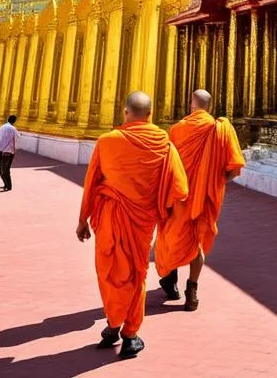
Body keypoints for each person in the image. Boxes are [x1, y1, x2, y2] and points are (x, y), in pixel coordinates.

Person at [77, 91, 188, 360]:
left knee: (110, 272)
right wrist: (162, 210)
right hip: (142, 220)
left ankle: (114, 324)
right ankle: (129, 333)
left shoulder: (107, 141)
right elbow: (179, 188)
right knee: (137, 275)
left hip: (109, 217)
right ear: (150, 115)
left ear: (125, 112)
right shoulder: (164, 142)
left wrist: (83, 219)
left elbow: (91, 182)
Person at [155, 89, 244, 309]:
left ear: (192, 105)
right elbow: (235, 167)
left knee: (169, 236)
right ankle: (192, 288)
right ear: (209, 107)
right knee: (197, 243)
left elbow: (167, 167)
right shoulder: (221, 129)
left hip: (178, 198)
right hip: (205, 199)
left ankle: (170, 281)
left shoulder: (177, 130)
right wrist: (215, 182)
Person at [0, 114, 19, 191]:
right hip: (8, 151)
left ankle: (6, 184)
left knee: (1, 168)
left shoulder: (1, 127)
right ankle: (8, 185)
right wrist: (15, 150)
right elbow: (16, 139)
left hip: (0, 150)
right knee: (6, 169)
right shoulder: (13, 129)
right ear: (14, 121)